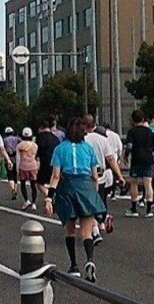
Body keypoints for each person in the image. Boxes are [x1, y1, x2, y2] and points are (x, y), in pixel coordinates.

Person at [44, 117, 107, 282]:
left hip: (67, 188)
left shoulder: (60, 149)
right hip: (86, 187)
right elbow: (95, 176)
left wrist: (49, 198)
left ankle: (73, 266)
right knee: (87, 231)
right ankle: (90, 260)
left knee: (70, 230)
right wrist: (93, 193)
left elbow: (56, 176)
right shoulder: (88, 148)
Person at [84, 114, 125, 244]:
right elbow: (111, 159)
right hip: (101, 175)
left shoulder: (82, 140)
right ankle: (102, 221)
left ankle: (95, 228)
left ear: (84, 125)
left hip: (86, 175)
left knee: (87, 204)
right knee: (100, 199)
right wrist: (120, 175)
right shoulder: (102, 139)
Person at [124, 110, 154, 218]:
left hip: (136, 159)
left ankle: (134, 209)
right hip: (148, 159)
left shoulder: (132, 132)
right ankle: (148, 210)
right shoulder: (149, 131)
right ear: (143, 119)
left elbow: (129, 146)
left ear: (132, 120)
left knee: (134, 183)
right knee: (148, 183)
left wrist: (126, 156)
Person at [35, 122, 61, 204]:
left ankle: (49, 195)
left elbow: (37, 151)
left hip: (44, 163)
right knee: (54, 182)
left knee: (40, 183)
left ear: (41, 128)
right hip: (55, 163)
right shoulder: (55, 138)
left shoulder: (40, 137)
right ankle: (54, 195)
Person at [16, 128, 40, 210]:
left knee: (23, 184)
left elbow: (18, 158)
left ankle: (26, 200)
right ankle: (34, 203)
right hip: (33, 166)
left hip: (23, 166)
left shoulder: (19, 145)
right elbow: (36, 156)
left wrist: (17, 169)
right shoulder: (35, 145)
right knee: (33, 185)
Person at [3, 127, 21, 200]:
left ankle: (13, 189)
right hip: (16, 157)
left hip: (8, 157)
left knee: (10, 174)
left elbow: (2, 148)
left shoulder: (4, 140)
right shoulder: (17, 139)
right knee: (15, 175)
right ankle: (15, 189)